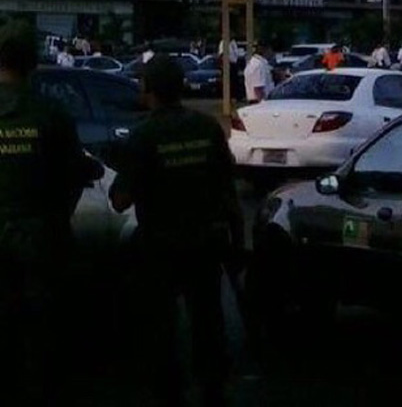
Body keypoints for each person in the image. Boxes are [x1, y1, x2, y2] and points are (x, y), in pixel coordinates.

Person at [110, 55, 244, 406]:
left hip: (162, 246)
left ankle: (169, 391)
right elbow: (227, 183)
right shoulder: (206, 127)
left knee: (162, 328)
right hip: (206, 241)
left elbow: (121, 200)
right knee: (208, 323)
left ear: (147, 89)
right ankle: (213, 389)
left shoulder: (144, 135)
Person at [0, 21, 102, 404]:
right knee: (41, 327)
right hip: (41, 237)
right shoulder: (50, 112)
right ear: (33, 64)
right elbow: (75, 171)